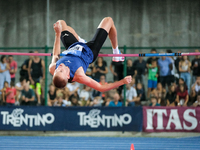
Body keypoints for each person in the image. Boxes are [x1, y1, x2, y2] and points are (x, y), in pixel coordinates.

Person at [49, 17, 132, 92]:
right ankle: (116, 53)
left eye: (56, 71)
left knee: (60, 23)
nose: (58, 67)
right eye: (61, 70)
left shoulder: (53, 68)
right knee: (108, 20)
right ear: (67, 75)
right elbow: (101, 88)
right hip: (89, 51)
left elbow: (56, 55)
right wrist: (122, 82)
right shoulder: (79, 75)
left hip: (73, 48)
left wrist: (57, 34)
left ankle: (80, 41)